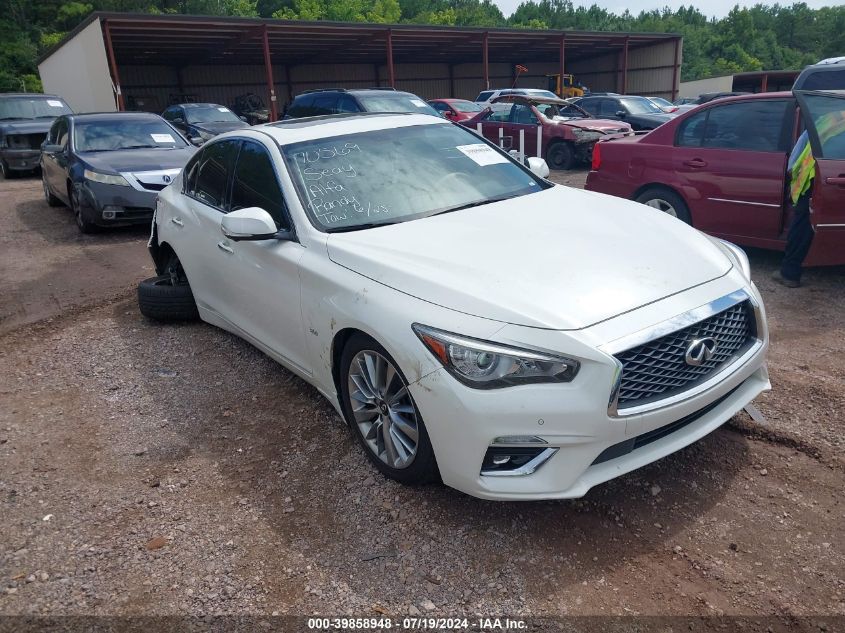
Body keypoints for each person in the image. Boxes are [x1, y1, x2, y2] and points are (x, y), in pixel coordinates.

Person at [772, 131, 813, 288]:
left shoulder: (823, 122)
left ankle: (789, 273)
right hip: (825, 178)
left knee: (801, 227)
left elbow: (792, 164)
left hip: (809, 183)